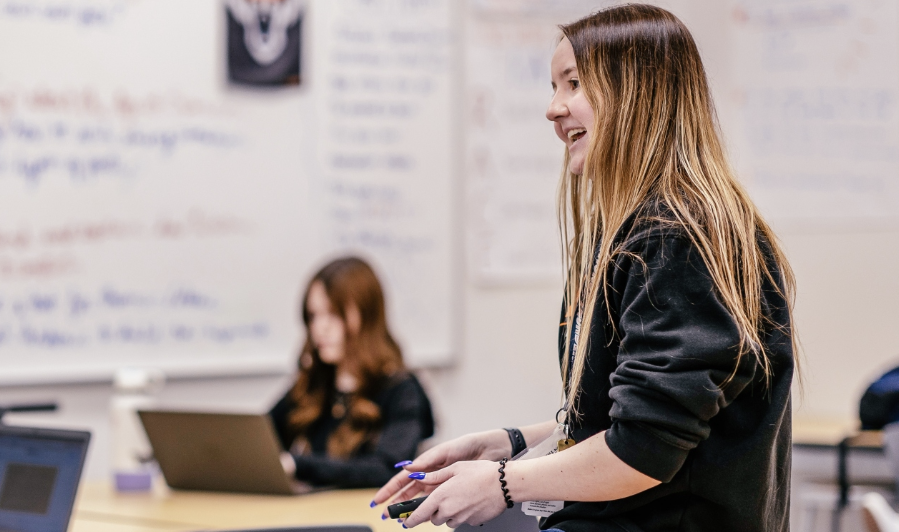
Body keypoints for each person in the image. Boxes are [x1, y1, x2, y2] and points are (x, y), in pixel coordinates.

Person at [372, 5, 797, 532]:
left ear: (639, 91)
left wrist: (503, 482)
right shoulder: (635, 232)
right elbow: (618, 423)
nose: (553, 109)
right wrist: (510, 445)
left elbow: (643, 449)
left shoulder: (679, 236)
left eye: (573, 84)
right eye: (554, 87)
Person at [269, 257, 434, 489]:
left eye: (333, 314)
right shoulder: (315, 381)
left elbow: (388, 468)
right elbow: (261, 439)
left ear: (367, 316)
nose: (320, 328)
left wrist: (298, 465)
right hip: (316, 507)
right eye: (313, 315)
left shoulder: (401, 390)